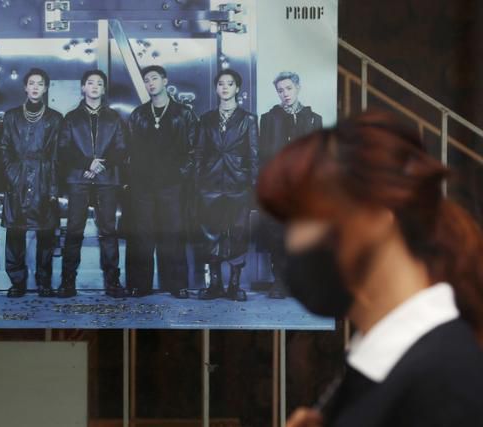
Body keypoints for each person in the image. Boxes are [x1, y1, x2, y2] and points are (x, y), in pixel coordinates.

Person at [257, 111, 483, 427]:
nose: (292, 240)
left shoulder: (444, 383)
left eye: (303, 217)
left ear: (377, 212)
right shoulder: (378, 365)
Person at [125, 65, 198, 299]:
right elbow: (129, 151)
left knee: (173, 234)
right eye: (146, 80)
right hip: (143, 187)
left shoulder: (184, 113)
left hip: (172, 185)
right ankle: (140, 285)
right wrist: (133, 180)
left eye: (154, 78)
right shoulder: (138, 114)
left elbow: (194, 150)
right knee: (142, 236)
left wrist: (180, 175)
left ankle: (177, 284)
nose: (150, 83)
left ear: (165, 81)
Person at [57, 69, 129, 298]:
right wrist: (87, 163)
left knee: (108, 231)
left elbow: (122, 149)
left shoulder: (114, 117)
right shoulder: (71, 118)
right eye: (90, 82)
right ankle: (67, 282)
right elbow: (64, 149)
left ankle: (113, 282)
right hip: (78, 179)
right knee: (74, 230)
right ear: (83, 88)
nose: (95, 86)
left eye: (99, 83)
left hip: (107, 180)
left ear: (104, 89)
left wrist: (99, 166)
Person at [0, 67, 63, 298]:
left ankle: (44, 282)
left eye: (40, 84)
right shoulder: (11, 116)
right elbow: (3, 148)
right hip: (18, 178)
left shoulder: (55, 118)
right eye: (32, 83)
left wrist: (53, 187)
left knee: (46, 233)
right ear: (25, 87)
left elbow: (57, 155)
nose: (35, 87)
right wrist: (13, 174)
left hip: (44, 177)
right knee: (15, 233)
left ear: (46, 89)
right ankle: (17, 282)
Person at [195, 69, 259, 302]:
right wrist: (198, 182)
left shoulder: (248, 119)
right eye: (221, 83)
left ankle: (234, 285)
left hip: (238, 184)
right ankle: (214, 284)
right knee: (209, 234)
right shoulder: (206, 118)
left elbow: (254, 154)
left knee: (238, 233)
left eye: (229, 83)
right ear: (216, 88)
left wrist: (253, 185)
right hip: (210, 184)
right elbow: (199, 152)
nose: (224, 87)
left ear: (237, 88)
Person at [258, 71, 323, 298]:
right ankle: (279, 282)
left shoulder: (313, 119)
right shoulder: (269, 119)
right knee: (276, 235)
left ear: (297, 88)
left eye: (288, 89)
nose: (285, 94)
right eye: (280, 90)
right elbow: (262, 156)